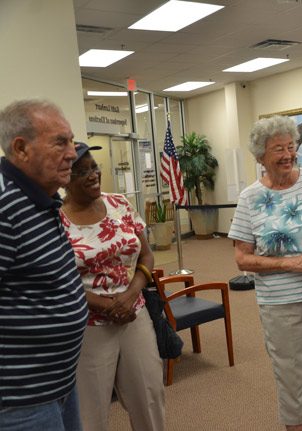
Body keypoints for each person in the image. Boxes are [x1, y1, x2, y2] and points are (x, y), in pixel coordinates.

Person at [229, 115, 302, 431]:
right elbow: (242, 258)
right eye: (277, 149)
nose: (287, 154)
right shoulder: (250, 198)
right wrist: (288, 263)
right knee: (292, 376)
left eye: (291, 146)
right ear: (260, 158)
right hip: (282, 304)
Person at [59, 142, 165, 431]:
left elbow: (146, 254)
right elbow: (59, 279)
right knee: (90, 412)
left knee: (150, 397)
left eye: (94, 167)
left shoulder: (119, 203)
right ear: (64, 180)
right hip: (88, 324)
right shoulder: (55, 219)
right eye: (81, 172)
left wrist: (130, 295)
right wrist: (106, 304)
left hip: (134, 313)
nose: (92, 175)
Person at [0, 99, 88, 430]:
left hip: (58, 381)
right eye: (60, 142)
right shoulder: (5, 206)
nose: (73, 153)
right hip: (21, 399)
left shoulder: (41, 198)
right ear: (21, 149)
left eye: (72, 141)